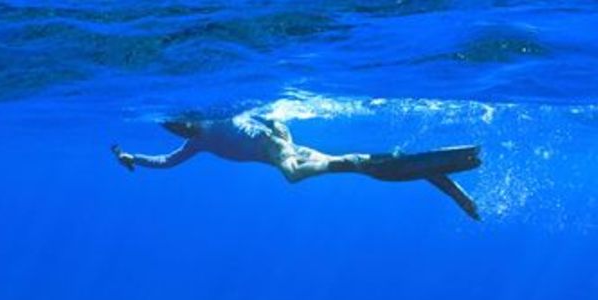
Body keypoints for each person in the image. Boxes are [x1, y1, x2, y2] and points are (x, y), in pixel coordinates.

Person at [111, 111, 482, 220]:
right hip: (290, 151)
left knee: (291, 177)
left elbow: (273, 117)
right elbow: (167, 161)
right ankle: (444, 183)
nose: (181, 128)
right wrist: (135, 159)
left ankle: (351, 161)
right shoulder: (197, 142)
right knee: (372, 169)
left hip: (283, 151)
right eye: (175, 128)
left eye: (181, 123)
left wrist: (280, 128)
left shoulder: (223, 117)